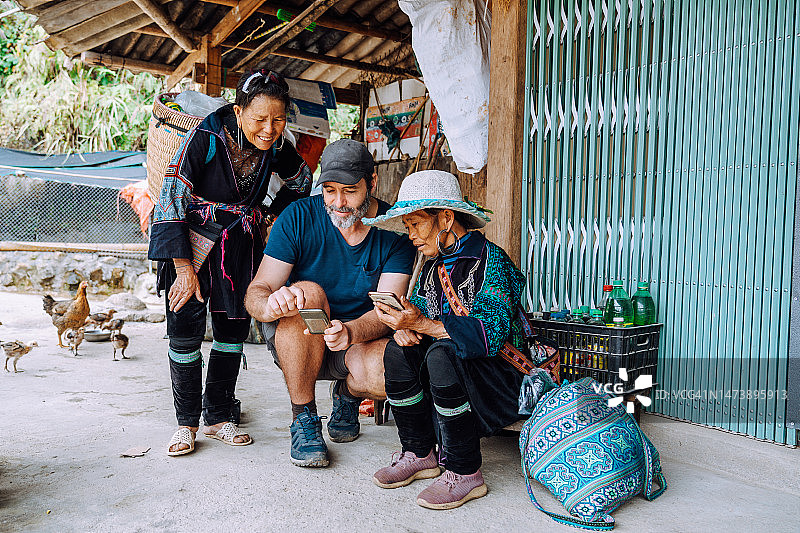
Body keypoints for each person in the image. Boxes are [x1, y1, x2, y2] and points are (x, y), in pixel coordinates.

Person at [149, 70, 312, 456]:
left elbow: (302, 182)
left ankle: (220, 416)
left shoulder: (276, 146)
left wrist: (269, 212)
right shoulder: (207, 136)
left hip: (241, 245)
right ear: (238, 112)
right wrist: (185, 271)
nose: (270, 128)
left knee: (232, 330)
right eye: (260, 119)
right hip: (191, 245)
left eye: (279, 119)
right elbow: (170, 195)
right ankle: (186, 424)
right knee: (186, 331)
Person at [245, 139, 416, 467]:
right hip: (299, 340)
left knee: (390, 369)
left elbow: (388, 310)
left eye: (350, 191)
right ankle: (304, 417)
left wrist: (350, 331)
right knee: (306, 293)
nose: (338, 202)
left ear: (372, 183)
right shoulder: (298, 217)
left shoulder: (395, 231)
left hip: (356, 341)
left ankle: (347, 395)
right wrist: (268, 305)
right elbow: (259, 289)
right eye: (329, 190)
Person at [362, 170, 526, 510]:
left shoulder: (491, 261)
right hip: (460, 371)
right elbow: (423, 309)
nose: (411, 236)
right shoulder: (434, 266)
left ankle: (465, 472)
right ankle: (419, 452)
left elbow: (491, 334)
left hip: (503, 381)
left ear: (447, 218)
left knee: (441, 354)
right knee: (398, 351)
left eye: (417, 224)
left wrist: (422, 323)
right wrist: (404, 324)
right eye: (407, 227)